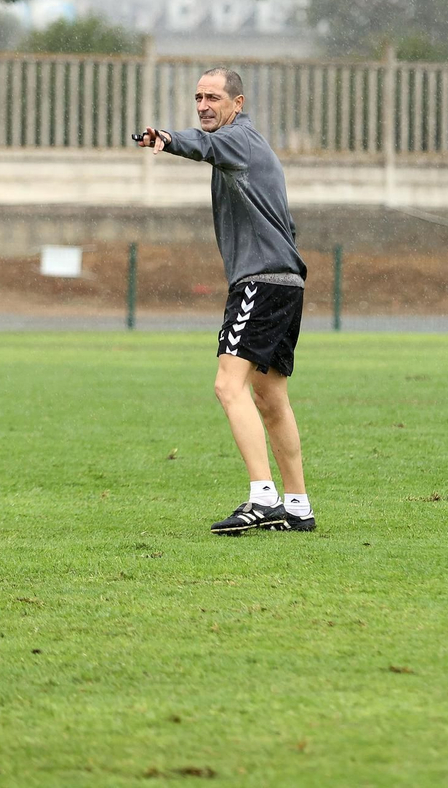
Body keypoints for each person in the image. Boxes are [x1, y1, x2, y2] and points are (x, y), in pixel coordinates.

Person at [135, 67, 315, 535]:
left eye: (213, 96)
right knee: (270, 396)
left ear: (238, 103)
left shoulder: (239, 139)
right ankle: (297, 506)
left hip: (261, 281)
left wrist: (169, 140)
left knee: (227, 386)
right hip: (286, 280)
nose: (203, 104)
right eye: (198, 97)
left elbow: (204, 145)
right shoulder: (250, 148)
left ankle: (262, 498)